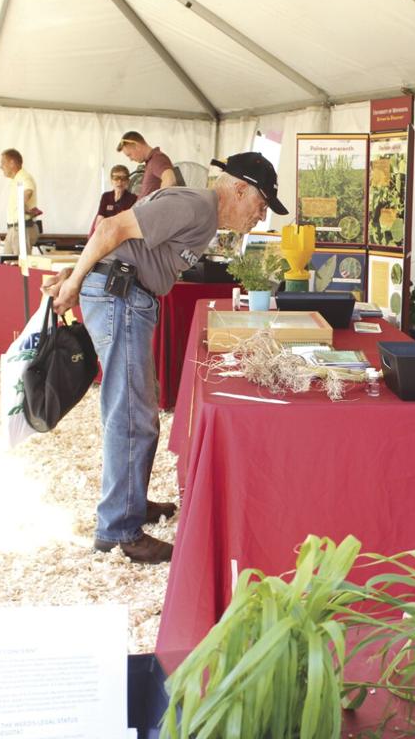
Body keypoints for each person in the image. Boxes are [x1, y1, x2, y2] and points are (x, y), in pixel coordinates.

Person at [42, 152, 289, 563]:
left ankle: (129, 505)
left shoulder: (201, 213)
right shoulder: (194, 204)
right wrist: (74, 284)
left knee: (134, 409)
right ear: (240, 188)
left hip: (125, 295)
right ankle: (119, 529)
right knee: (132, 414)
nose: (260, 218)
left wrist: (76, 273)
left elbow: (121, 238)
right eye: (261, 206)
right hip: (121, 297)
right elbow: (110, 226)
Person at [0, 148, 39, 255]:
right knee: (8, 264)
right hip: (15, 228)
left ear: (12, 163)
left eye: (3, 163)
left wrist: (22, 205)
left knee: (20, 266)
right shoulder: (16, 179)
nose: (0, 166)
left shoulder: (23, 176)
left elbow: (28, 191)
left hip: (21, 228)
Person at [117, 131, 176, 197]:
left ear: (137, 146)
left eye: (129, 155)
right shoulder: (150, 162)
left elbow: (170, 180)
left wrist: (157, 204)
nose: (130, 159)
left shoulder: (157, 158)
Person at [90, 164, 137, 235]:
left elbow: (129, 223)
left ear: (128, 181)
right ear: (111, 180)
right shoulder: (105, 196)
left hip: (122, 235)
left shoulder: (133, 198)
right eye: (116, 178)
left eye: (123, 178)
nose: (119, 181)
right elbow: (99, 220)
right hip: (105, 233)